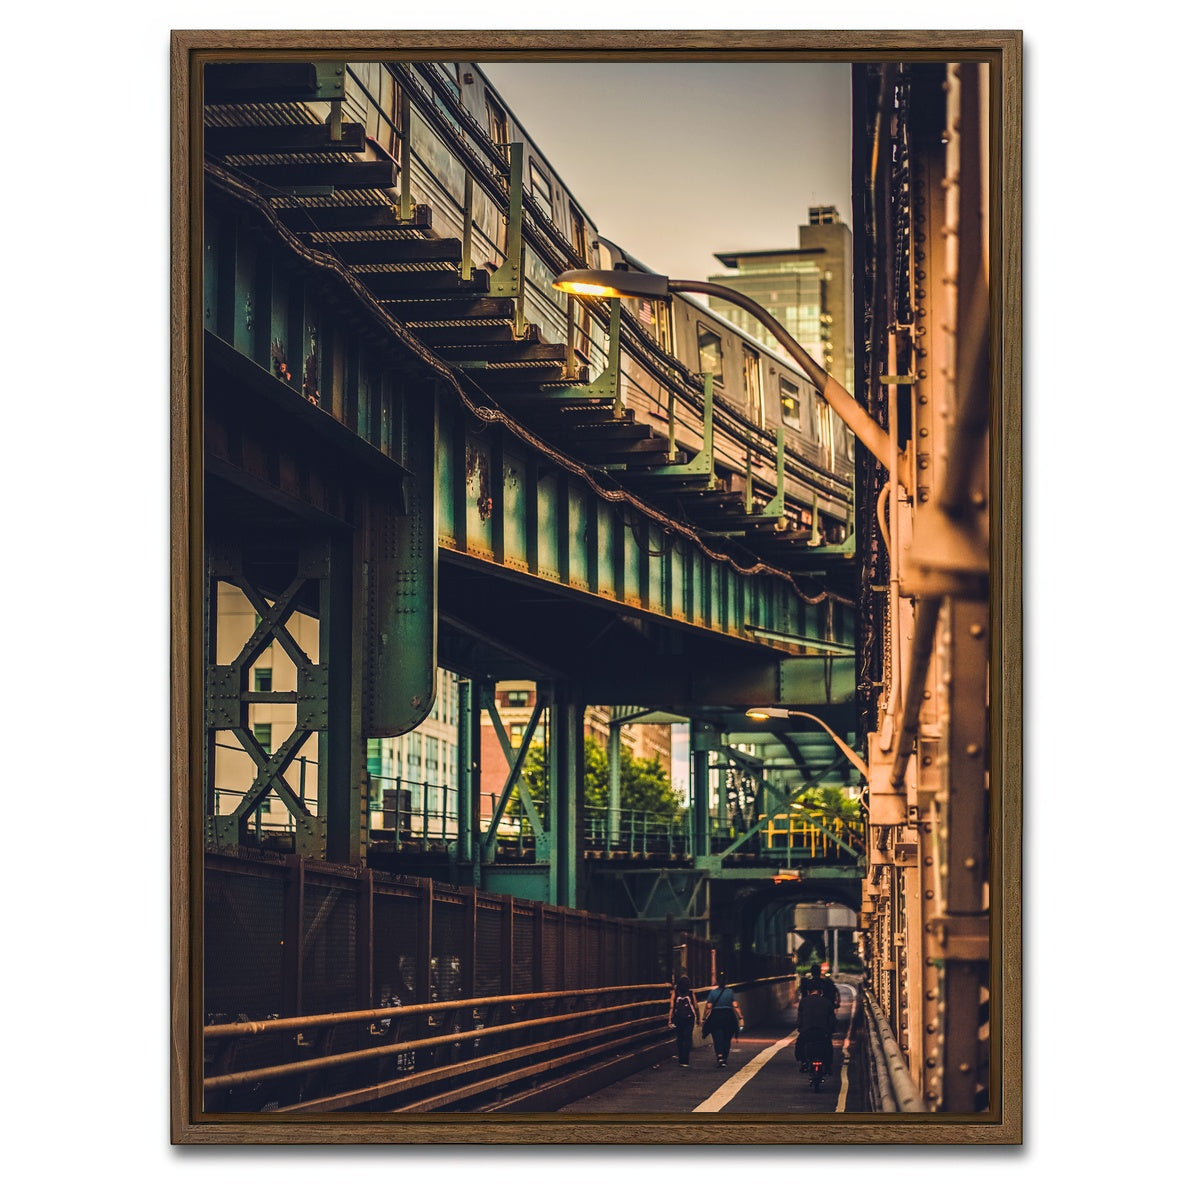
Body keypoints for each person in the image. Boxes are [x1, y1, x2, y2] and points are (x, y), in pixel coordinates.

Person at [702, 972, 743, 1068]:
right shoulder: (730, 992)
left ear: (717, 981)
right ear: (726, 982)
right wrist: (740, 1016)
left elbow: (708, 1007)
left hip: (716, 1016)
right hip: (729, 1016)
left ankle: (719, 1056)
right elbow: (735, 1005)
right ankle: (725, 1057)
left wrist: (704, 1018)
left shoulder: (713, 993)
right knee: (727, 1038)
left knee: (717, 1038)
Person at [795, 982, 836, 1072]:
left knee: (800, 1044)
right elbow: (832, 1020)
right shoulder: (827, 1002)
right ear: (821, 992)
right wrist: (831, 1030)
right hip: (822, 1032)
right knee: (828, 1045)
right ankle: (828, 1066)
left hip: (807, 1032)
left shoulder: (803, 1002)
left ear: (808, 991)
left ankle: (803, 1062)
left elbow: (800, 1019)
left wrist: (800, 1028)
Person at [666, 974, 698, 1066]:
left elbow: (672, 1007)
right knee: (688, 1037)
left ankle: (680, 1058)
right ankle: (685, 1060)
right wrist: (699, 1018)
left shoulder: (675, 993)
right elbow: (695, 1006)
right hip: (689, 1018)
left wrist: (669, 1020)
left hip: (678, 1018)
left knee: (680, 1037)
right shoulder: (691, 993)